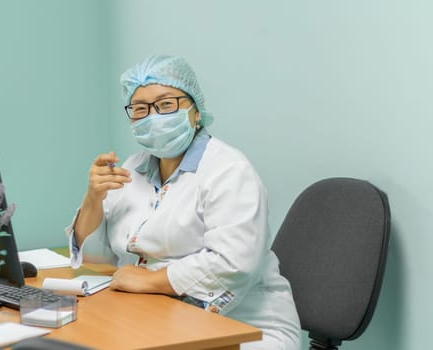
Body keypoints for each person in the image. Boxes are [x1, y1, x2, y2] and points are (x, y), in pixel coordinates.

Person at [65, 55, 301, 350]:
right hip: (161, 315)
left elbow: (232, 265)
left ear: (196, 111)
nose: (153, 117)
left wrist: (149, 281)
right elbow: (98, 256)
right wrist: (93, 198)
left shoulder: (229, 171)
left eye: (165, 104)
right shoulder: (133, 168)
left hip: (245, 327)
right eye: (140, 109)